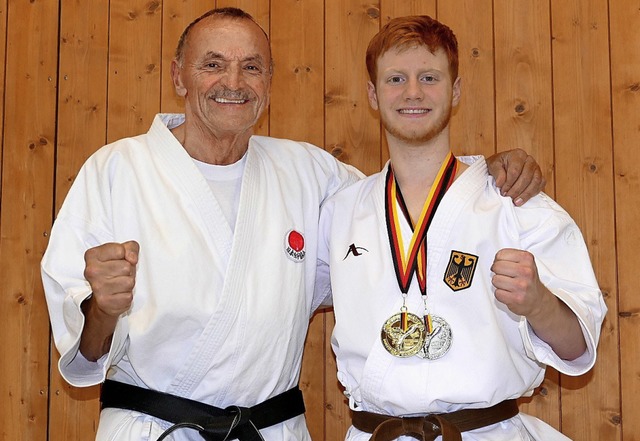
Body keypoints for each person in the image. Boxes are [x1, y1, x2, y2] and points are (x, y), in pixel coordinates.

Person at [41, 8, 544, 441]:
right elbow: (83, 354)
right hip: (152, 429)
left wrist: (487, 172)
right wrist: (102, 308)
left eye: (251, 67)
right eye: (212, 65)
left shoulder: (309, 173)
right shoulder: (116, 171)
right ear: (178, 76)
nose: (233, 82)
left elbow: (408, 210)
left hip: (271, 429)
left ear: (269, 82)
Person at [315, 15, 607, 441]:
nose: (412, 92)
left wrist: (540, 303)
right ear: (373, 95)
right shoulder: (340, 212)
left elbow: (579, 350)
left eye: (429, 77)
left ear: (455, 91)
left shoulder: (517, 204)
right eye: (396, 79)